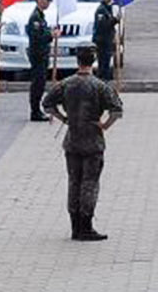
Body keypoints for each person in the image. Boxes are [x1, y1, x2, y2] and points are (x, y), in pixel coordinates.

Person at [42, 45, 123, 241]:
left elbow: (47, 104)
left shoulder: (66, 84)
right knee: (89, 183)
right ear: (93, 61)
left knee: (74, 182)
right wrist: (104, 125)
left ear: (77, 61)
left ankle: (75, 226)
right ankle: (86, 226)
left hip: (72, 140)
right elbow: (117, 110)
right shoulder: (100, 86)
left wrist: (64, 118)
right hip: (93, 141)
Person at [26, 0, 54, 123]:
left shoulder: (41, 16)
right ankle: (35, 111)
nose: (48, 4)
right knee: (37, 83)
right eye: (46, 1)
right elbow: (37, 37)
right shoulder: (35, 18)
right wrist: (51, 35)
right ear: (40, 1)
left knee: (41, 83)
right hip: (37, 54)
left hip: (42, 54)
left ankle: (37, 110)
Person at [93, 0, 119, 82]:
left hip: (107, 41)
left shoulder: (108, 8)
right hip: (102, 42)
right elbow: (103, 26)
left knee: (107, 63)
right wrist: (114, 20)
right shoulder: (101, 10)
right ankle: (102, 81)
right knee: (103, 65)